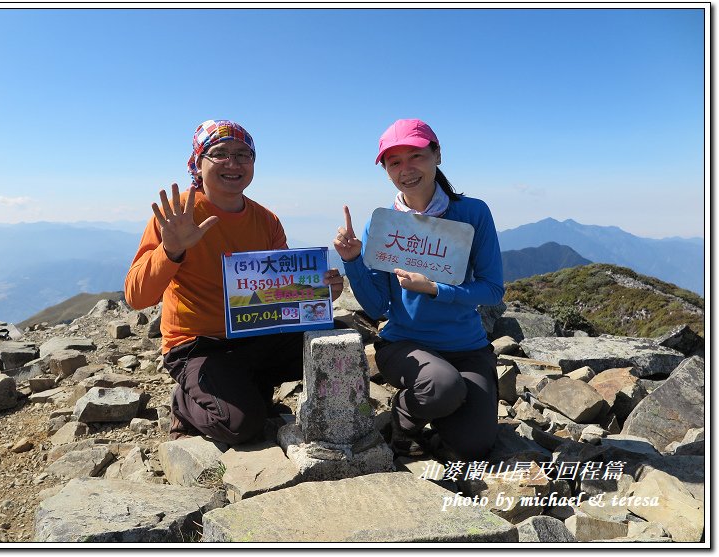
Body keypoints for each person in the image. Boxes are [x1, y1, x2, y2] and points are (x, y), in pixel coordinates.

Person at [125, 119, 344, 445]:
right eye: (219, 154)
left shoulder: (265, 219)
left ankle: (246, 384)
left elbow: (279, 288)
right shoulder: (177, 216)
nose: (233, 163)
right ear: (198, 164)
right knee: (241, 425)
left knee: (339, 342)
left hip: (257, 333)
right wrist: (171, 250)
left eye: (243, 154)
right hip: (198, 344)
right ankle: (185, 404)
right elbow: (137, 297)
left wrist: (319, 291)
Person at [333, 118, 504, 460]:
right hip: (404, 345)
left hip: (467, 348)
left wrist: (437, 289)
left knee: (475, 445)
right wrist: (353, 261)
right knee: (442, 387)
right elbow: (378, 306)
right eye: (394, 162)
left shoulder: (471, 213)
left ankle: (440, 405)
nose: (406, 169)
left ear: (437, 154)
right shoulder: (382, 225)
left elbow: (492, 290)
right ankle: (405, 416)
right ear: (385, 170)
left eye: (416, 156)